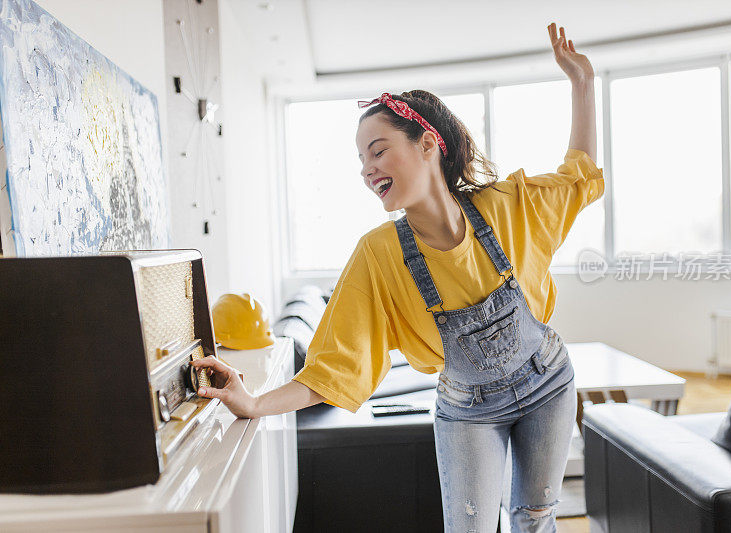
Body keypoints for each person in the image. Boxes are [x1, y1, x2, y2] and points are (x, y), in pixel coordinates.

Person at [193, 21, 602, 532]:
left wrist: (583, 84)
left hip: (549, 384)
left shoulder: (507, 206)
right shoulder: (379, 255)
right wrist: (252, 404)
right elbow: (333, 368)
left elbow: (577, 175)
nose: (366, 170)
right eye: (361, 160)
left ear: (428, 144)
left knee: (536, 519)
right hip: (466, 412)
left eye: (378, 150)